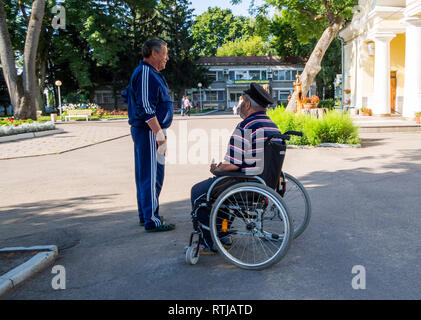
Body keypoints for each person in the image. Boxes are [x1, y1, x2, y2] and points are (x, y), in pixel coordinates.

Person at [190, 83, 280, 253]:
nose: (239, 105)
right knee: (222, 192)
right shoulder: (272, 126)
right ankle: (222, 233)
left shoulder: (246, 126)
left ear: (247, 104)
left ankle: (208, 242)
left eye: (241, 102)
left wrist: (217, 168)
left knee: (199, 192)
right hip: (265, 185)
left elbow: (233, 164)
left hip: (245, 184)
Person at [122, 38, 176, 232]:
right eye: (164, 53)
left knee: (150, 174)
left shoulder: (151, 73)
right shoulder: (145, 72)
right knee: (150, 176)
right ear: (154, 53)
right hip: (148, 132)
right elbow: (146, 108)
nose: (167, 58)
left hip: (151, 131)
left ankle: (146, 215)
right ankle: (151, 220)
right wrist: (159, 134)